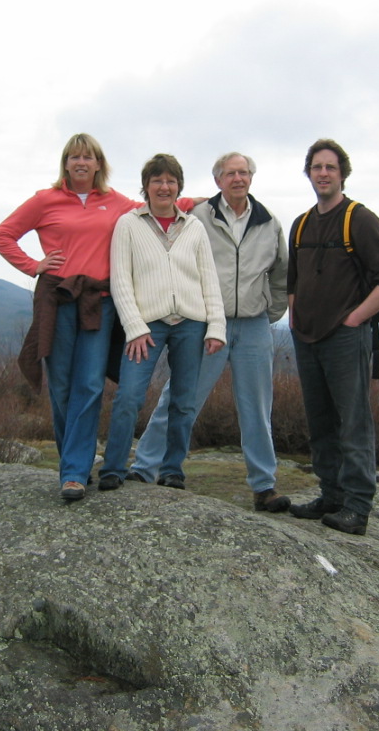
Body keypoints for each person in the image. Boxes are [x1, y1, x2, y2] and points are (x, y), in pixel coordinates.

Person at [0, 134, 196, 502]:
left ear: (99, 163)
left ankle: (73, 473)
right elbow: (2, 235)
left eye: (88, 157)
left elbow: (157, 203)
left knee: (89, 385)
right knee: (62, 387)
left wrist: (201, 202)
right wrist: (34, 265)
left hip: (100, 303)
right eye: (74, 157)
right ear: (65, 163)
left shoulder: (115, 202)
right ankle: (75, 462)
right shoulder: (44, 200)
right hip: (57, 299)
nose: (81, 163)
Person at [127, 152, 292, 512]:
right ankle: (145, 468)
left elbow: (281, 273)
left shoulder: (269, 222)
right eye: (230, 173)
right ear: (217, 180)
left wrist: (271, 311)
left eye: (244, 173)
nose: (238, 179)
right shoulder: (199, 216)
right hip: (206, 325)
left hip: (254, 326)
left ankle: (264, 486)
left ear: (251, 177)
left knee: (257, 408)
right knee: (180, 398)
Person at [287, 139, 379, 535]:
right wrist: (294, 315)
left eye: (330, 168)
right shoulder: (301, 224)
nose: (323, 173)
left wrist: (355, 319)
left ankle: (357, 506)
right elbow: (293, 279)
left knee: (353, 422)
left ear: (342, 174)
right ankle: (331, 495)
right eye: (317, 167)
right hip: (307, 338)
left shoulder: (360, 219)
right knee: (320, 422)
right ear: (309, 173)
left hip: (344, 338)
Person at [98, 153, 226, 491]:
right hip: (147, 327)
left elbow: (208, 279)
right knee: (129, 397)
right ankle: (112, 467)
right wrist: (134, 326)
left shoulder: (194, 228)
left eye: (170, 181)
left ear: (178, 187)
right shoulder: (129, 224)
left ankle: (172, 470)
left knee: (184, 402)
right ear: (146, 187)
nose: (164, 186)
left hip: (191, 323)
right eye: (157, 180)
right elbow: (120, 280)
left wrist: (216, 327)